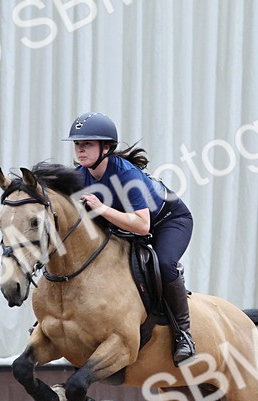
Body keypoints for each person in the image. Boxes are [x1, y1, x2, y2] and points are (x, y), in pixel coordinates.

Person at [65, 111, 196, 365]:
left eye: (87, 144)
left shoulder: (126, 174)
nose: (80, 149)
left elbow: (142, 225)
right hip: (128, 226)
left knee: (164, 264)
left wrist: (101, 208)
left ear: (106, 148)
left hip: (169, 221)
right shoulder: (80, 176)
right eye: (77, 144)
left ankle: (183, 334)